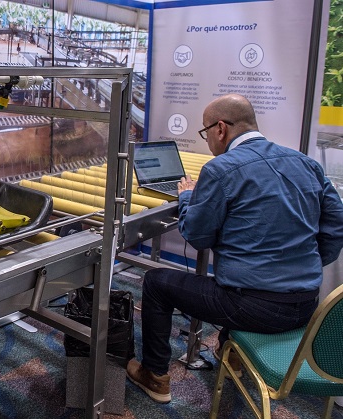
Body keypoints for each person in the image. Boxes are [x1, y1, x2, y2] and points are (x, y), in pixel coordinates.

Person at [126, 93, 343, 404]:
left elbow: (197, 236)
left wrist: (188, 196)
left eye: (205, 132)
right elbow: (336, 225)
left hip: (253, 307)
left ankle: (155, 376)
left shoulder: (220, 169)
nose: (207, 141)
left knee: (157, 282)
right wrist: (305, 263)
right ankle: (235, 358)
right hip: (307, 304)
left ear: (221, 129)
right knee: (237, 275)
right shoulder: (306, 163)